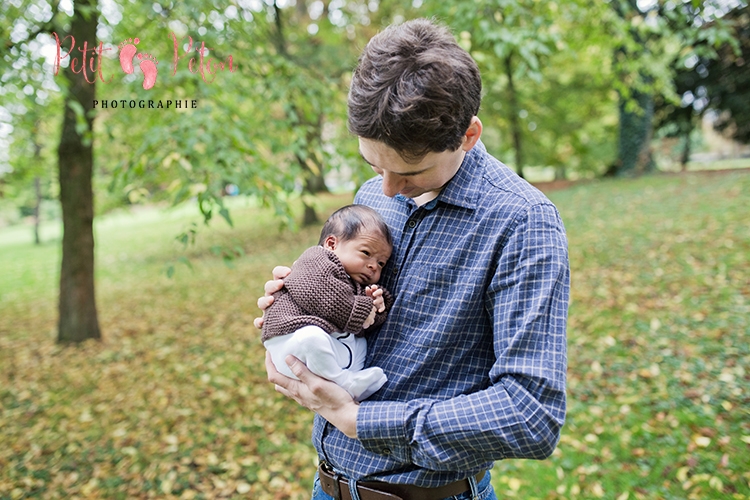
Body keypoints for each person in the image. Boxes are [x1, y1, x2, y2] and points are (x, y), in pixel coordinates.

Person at [255, 18, 570, 500]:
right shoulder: (372, 197)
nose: (385, 190)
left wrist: (360, 420)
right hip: (327, 486)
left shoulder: (523, 222)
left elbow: (531, 412)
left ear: (468, 135)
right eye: (373, 165)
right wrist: (301, 303)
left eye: (411, 171)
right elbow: (360, 318)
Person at [262, 204, 394, 402]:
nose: (373, 266)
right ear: (331, 244)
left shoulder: (355, 282)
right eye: (366, 253)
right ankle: (344, 382)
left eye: (381, 263)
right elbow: (324, 296)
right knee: (311, 336)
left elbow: (364, 324)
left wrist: (377, 305)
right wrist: (363, 309)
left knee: (359, 341)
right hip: (290, 341)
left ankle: (352, 379)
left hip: (327, 348)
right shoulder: (315, 259)